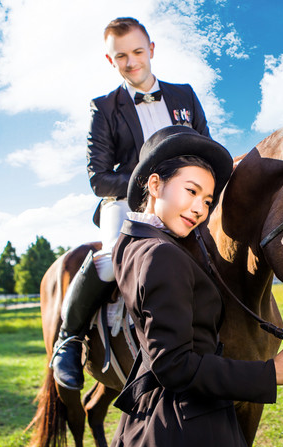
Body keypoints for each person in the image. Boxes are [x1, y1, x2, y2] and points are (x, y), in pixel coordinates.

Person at [105, 125, 283, 447]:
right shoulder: (162, 255)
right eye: (191, 191)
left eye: (207, 200)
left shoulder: (132, 243)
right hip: (187, 435)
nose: (199, 208)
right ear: (155, 185)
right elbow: (173, 365)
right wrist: (268, 373)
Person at [51, 17, 211, 390]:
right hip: (124, 200)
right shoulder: (104, 108)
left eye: (138, 52)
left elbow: (205, 149)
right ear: (111, 61)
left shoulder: (184, 95)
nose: (131, 62)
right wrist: (150, 187)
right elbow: (98, 178)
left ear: (151, 50)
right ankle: (69, 339)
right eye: (120, 56)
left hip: (185, 198)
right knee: (109, 260)